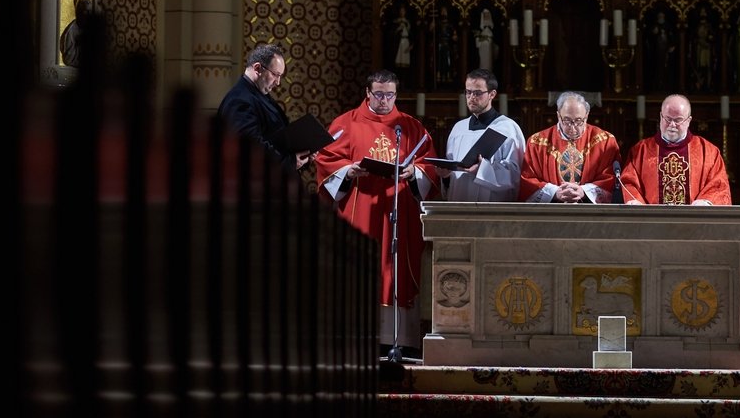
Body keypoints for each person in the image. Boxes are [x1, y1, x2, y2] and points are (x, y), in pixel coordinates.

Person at [314, 69, 440, 356]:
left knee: (394, 270)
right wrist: (350, 169)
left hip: (397, 210)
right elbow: (326, 159)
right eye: (379, 94)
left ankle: (399, 341)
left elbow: (428, 162)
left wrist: (414, 171)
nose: (385, 101)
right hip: (361, 207)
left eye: (390, 95)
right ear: (367, 93)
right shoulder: (347, 123)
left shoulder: (409, 126)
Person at [217, 43, 313, 173]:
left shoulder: (259, 94)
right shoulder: (239, 100)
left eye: (280, 76)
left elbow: (277, 137)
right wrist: (289, 162)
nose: (278, 82)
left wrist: (302, 154)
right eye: (275, 74)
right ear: (257, 68)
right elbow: (250, 149)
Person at [622, 94, 731, 205]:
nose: (672, 125)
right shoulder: (641, 150)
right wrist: (636, 202)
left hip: (694, 220)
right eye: (668, 119)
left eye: (678, 120)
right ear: (660, 117)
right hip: (652, 220)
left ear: (688, 121)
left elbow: (718, 185)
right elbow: (629, 182)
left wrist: (704, 202)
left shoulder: (709, 152)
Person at [436, 69, 525, 202]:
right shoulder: (458, 128)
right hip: (459, 206)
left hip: (492, 209)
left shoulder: (508, 128)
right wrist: (446, 176)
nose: (471, 97)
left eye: (478, 93)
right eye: (468, 92)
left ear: (492, 94)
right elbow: (453, 172)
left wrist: (482, 170)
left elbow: (515, 174)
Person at [519, 91, 619, 203]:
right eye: (566, 120)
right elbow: (528, 180)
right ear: (558, 115)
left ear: (586, 116)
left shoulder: (605, 141)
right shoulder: (537, 143)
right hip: (550, 212)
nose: (573, 127)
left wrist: (584, 191)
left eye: (578, 121)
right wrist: (556, 192)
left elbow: (611, 178)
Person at [59, 0, 93, 67]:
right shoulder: (71, 31)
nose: (88, 15)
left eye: (90, 12)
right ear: (79, 12)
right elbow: (68, 60)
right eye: (86, 11)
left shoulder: (91, 28)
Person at [393, 5, 412, 69]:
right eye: (401, 11)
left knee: (405, 63)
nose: (402, 12)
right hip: (399, 42)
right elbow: (393, 33)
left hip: (406, 42)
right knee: (398, 62)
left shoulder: (408, 22)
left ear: (405, 12)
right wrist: (398, 29)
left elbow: (411, 34)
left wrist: (411, 45)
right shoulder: (396, 21)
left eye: (403, 11)